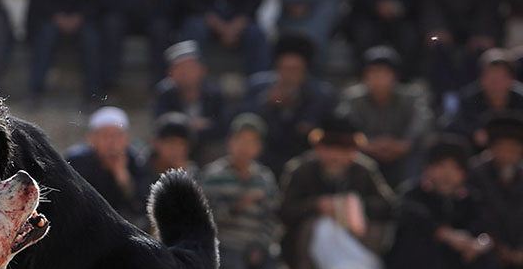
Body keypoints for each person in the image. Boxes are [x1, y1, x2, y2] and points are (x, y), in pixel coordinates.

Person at [279, 115, 396, 269]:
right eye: (329, 148)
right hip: (308, 243)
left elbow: (387, 206)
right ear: (318, 148)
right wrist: (316, 206)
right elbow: (284, 211)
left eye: (342, 150)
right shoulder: (301, 170)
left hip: (355, 236)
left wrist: (355, 206)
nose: (335, 156)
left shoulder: (364, 171)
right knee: (317, 228)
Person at [389, 135, 493, 269]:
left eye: (455, 168)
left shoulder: (470, 199)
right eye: (441, 166)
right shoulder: (413, 194)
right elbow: (411, 216)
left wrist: (477, 244)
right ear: (427, 169)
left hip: (457, 267)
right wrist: (445, 234)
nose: (447, 174)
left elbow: (483, 227)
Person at [237, 33, 338, 179]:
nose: (290, 75)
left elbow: (330, 133)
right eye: (285, 69)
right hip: (265, 155)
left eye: (296, 70)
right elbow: (240, 120)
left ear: (306, 71)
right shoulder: (258, 88)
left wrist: (311, 131)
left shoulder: (322, 95)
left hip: (305, 156)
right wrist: (266, 103)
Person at [200, 114, 283, 269]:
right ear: (230, 142)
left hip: (256, 245)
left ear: (259, 147)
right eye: (241, 140)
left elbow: (272, 219)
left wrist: (259, 246)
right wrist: (237, 206)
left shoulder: (265, 178)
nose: (245, 147)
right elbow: (205, 219)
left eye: (252, 142)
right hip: (225, 244)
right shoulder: (214, 176)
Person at [423, 0, 504, 109]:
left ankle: (471, 103)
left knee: (479, 53)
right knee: (436, 47)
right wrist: (437, 28)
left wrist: (482, 32)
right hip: (443, 28)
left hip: (479, 28)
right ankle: (446, 102)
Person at [26, 0, 106, 103]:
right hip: (51, 17)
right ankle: (35, 91)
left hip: (85, 19)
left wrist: (81, 17)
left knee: (91, 38)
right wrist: (57, 15)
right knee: (45, 35)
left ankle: (93, 95)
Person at [338, 46, 432, 189]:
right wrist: (366, 143)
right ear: (364, 76)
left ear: (395, 77)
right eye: (373, 73)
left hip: (403, 151)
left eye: (384, 73)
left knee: (418, 154)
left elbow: (422, 120)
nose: (379, 79)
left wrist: (405, 143)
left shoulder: (411, 97)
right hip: (365, 150)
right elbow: (345, 122)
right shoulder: (353, 99)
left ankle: (408, 195)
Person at [65, 106, 150, 231]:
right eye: (106, 136)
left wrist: (123, 177)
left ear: (126, 140)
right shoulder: (78, 161)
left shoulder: (134, 161)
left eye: (117, 136)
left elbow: (141, 205)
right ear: (92, 139)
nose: (112, 142)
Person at [467, 113, 523, 269]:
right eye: (501, 148)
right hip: (489, 245)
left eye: (513, 148)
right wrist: (499, 247)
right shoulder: (475, 173)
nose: (507, 154)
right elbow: (472, 214)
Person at [153, 40, 227, 163]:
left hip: (205, 145)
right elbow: (160, 125)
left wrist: (189, 130)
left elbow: (222, 127)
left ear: (202, 70)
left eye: (190, 68)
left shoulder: (214, 93)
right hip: (175, 144)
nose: (185, 73)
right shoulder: (164, 93)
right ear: (171, 74)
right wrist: (190, 126)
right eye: (180, 68)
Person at [444, 49, 523, 151]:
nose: (495, 84)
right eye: (491, 78)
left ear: (511, 79)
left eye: (500, 78)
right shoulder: (468, 100)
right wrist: (474, 134)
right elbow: (457, 127)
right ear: (481, 79)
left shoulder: (521, 99)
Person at [140, 112, 198, 188]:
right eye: (171, 143)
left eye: (182, 144)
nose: (177, 149)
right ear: (156, 142)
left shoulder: (191, 172)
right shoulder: (140, 169)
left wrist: (181, 177)